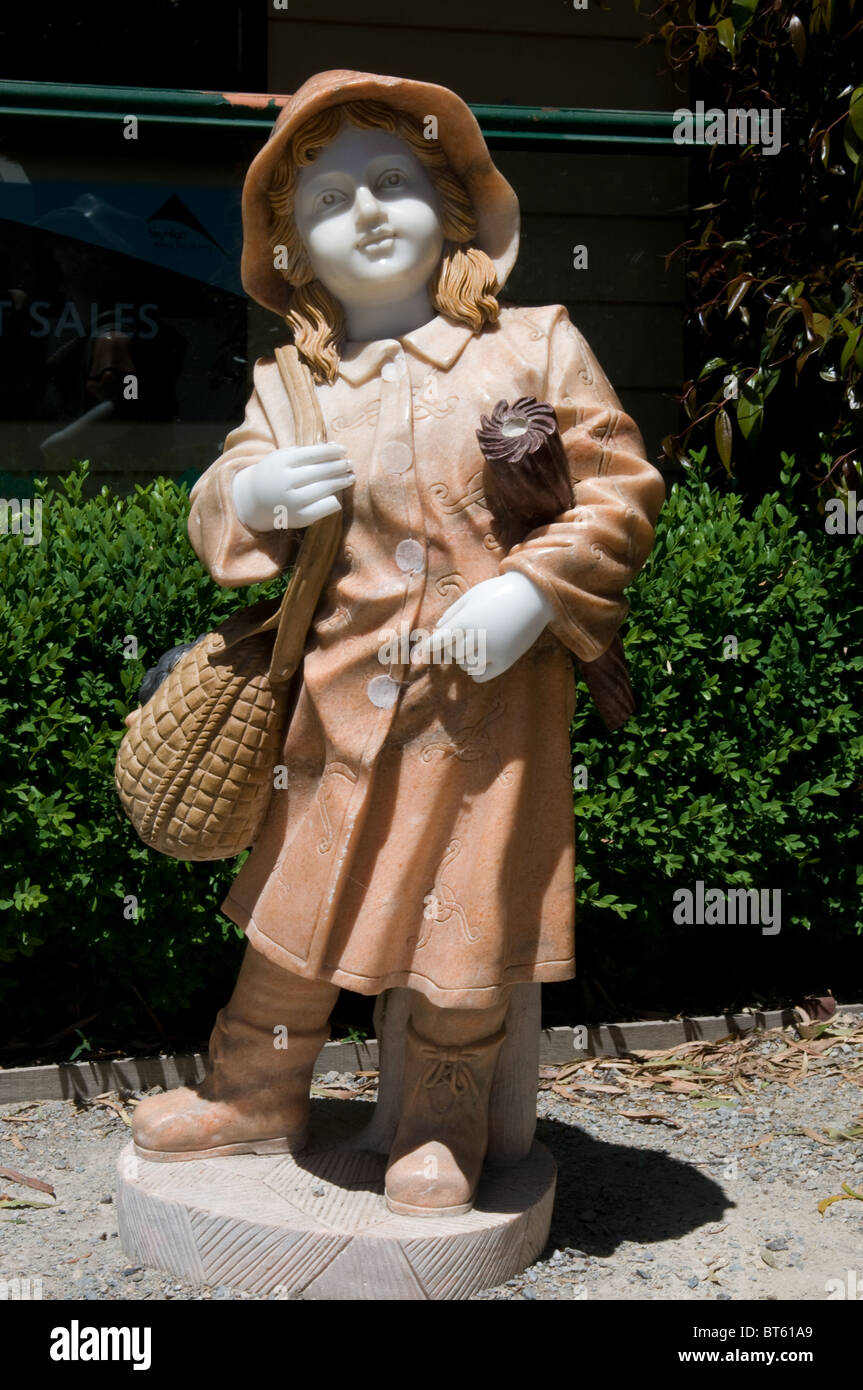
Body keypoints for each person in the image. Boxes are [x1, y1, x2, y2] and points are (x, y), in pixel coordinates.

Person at [132, 69, 665, 1217]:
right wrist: (252, 491)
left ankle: (439, 1123)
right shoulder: (294, 387)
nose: (365, 211)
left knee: (462, 929)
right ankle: (253, 1093)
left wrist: (532, 593)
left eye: (391, 181)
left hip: (487, 723)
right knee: (293, 914)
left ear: (453, 207)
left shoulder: (531, 344)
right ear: (292, 251)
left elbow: (617, 490)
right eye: (327, 201)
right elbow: (219, 499)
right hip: (336, 708)